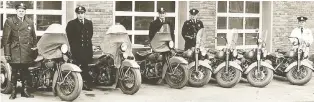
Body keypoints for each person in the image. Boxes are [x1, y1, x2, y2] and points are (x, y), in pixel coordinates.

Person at [1, 2, 36, 99]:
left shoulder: (30, 22)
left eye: (23, 11)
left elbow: (34, 37)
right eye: (19, 11)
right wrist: (7, 53)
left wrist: (34, 47)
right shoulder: (10, 21)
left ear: (25, 12)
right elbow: (6, 39)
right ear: (16, 11)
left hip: (26, 51)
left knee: (25, 72)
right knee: (14, 72)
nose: (21, 12)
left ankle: (25, 91)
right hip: (15, 51)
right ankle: (13, 92)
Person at [66, 6, 94, 91]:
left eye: (82, 13)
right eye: (79, 13)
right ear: (76, 14)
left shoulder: (89, 23)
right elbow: (69, 37)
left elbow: (90, 35)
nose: (80, 15)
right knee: (76, 67)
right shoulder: (71, 24)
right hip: (76, 50)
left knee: (85, 67)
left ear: (84, 13)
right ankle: (76, 84)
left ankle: (85, 84)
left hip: (86, 49)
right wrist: (73, 48)